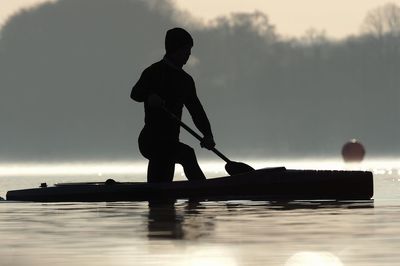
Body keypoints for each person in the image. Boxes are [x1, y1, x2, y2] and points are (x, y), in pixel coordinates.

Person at [131, 27, 215, 183]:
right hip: (151, 141)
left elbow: (196, 111)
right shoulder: (153, 72)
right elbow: (135, 94)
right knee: (187, 154)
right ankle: (204, 193)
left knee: (161, 192)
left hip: (170, 141)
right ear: (175, 50)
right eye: (186, 50)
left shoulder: (186, 80)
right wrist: (149, 96)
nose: (189, 55)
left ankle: (159, 197)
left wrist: (208, 135)